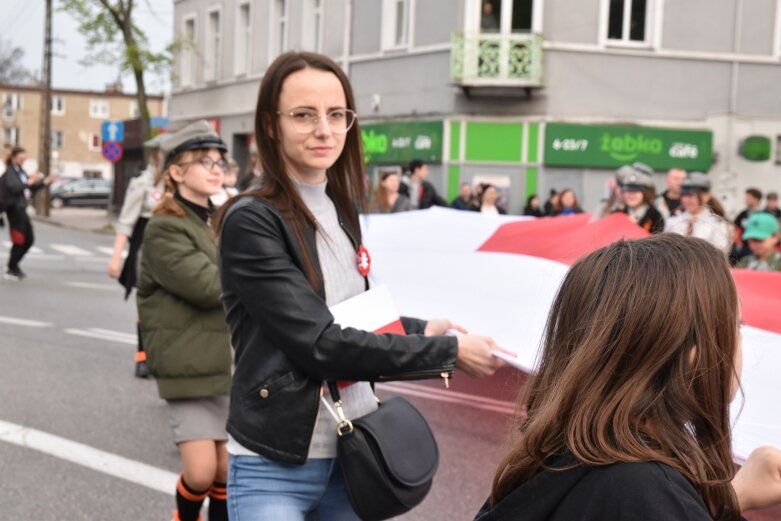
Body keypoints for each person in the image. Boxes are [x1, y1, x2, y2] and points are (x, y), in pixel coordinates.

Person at [215, 51, 506, 521]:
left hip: (354, 455)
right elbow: (320, 342)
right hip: (275, 463)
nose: (324, 130)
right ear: (270, 125)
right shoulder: (252, 220)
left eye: (336, 115)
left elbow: (349, 312)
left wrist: (422, 328)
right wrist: (448, 353)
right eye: (304, 115)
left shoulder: (340, 207)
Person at [476, 234, 781, 521]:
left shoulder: (557, 456)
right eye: (736, 326)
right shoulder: (647, 492)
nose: (740, 340)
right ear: (692, 352)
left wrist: (730, 498)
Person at [136, 120, 233, 521]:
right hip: (188, 364)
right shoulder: (164, 228)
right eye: (204, 161)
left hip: (228, 363)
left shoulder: (222, 220)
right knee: (200, 472)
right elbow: (209, 286)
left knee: (228, 471)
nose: (216, 169)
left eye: (220, 162)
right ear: (176, 172)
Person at [107, 134, 165, 378]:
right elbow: (127, 222)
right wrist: (116, 256)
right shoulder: (143, 183)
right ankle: (143, 356)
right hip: (146, 246)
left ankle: (164, 356)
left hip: (174, 247)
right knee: (146, 302)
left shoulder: (181, 182)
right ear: (156, 155)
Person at [2, 146, 52, 280]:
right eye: (22, 155)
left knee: (28, 239)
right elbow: (15, 188)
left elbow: (28, 189)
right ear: (14, 157)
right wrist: (29, 182)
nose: (24, 157)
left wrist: (44, 183)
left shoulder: (20, 171)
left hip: (21, 208)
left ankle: (13, 265)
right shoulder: (10, 172)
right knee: (20, 240)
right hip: (14, 210)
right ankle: (11, 267)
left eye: (25, 155)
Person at [665, 172, 732, 253]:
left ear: (706, 196)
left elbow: (721, 252)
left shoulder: (717, 224)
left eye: (691, 195)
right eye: (683, 195)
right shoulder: (673, 221)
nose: (686, 200)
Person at [612, 164, 664, 233]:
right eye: (627, 191)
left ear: (646, 193)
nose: (630, 195)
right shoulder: (617, 214)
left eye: (635, 191)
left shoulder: (656, 217)